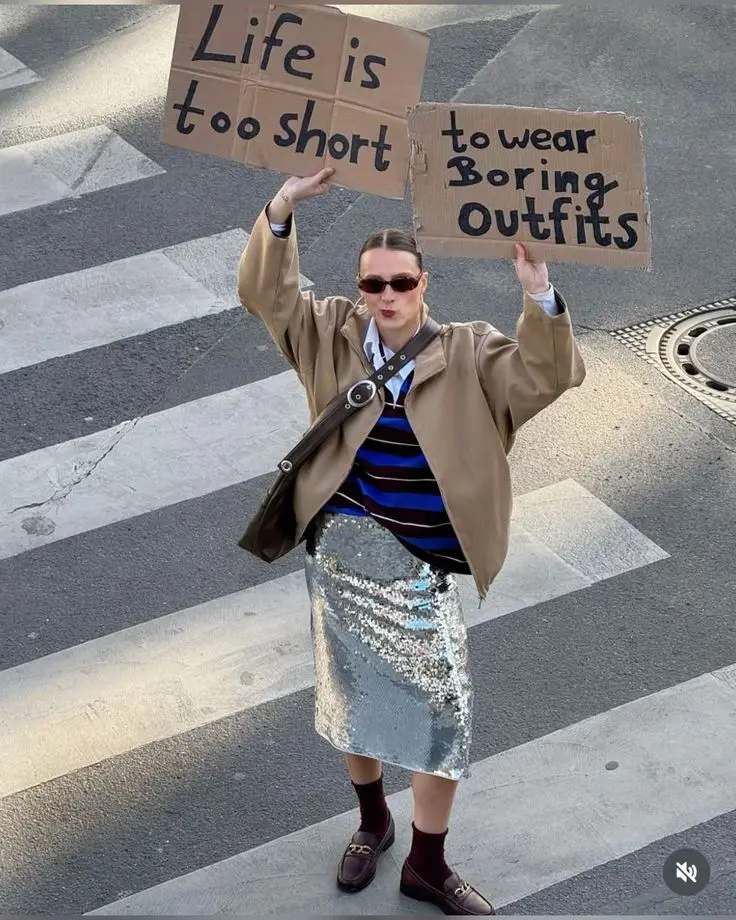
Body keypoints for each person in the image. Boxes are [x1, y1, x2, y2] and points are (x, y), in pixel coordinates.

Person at [237, 166, 586, 915]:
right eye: (373, 284)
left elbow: (548, 374)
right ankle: (372, 824)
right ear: (358, 287)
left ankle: (427, 863)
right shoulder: (327, 331)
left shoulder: (469, 350)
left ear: (424, 283)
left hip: (420, 568)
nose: (387, 297)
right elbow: (266, 295)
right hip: (341, 551)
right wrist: (282, 206)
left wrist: (538, 292)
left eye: (401, 282)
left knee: (445, 712)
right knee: (352, 697)